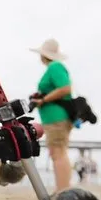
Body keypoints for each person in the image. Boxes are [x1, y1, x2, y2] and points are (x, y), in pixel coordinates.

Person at [29, 38, 73, 191]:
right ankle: (62, 188)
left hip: (57, 117)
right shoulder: (54, 67)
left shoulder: (55, 66)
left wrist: (44, 99)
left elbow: (66, 88)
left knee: (58, 152)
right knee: (57, 152)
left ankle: (62, 189)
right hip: (53, 117)